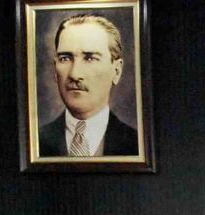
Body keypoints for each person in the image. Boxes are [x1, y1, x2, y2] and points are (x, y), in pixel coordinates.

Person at [38, 14, 138, 157]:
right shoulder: (35, 143)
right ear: (55, 69)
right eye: (65, 58)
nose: (74, 74)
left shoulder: (136, 145)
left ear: (116, 71)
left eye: (90, 58)